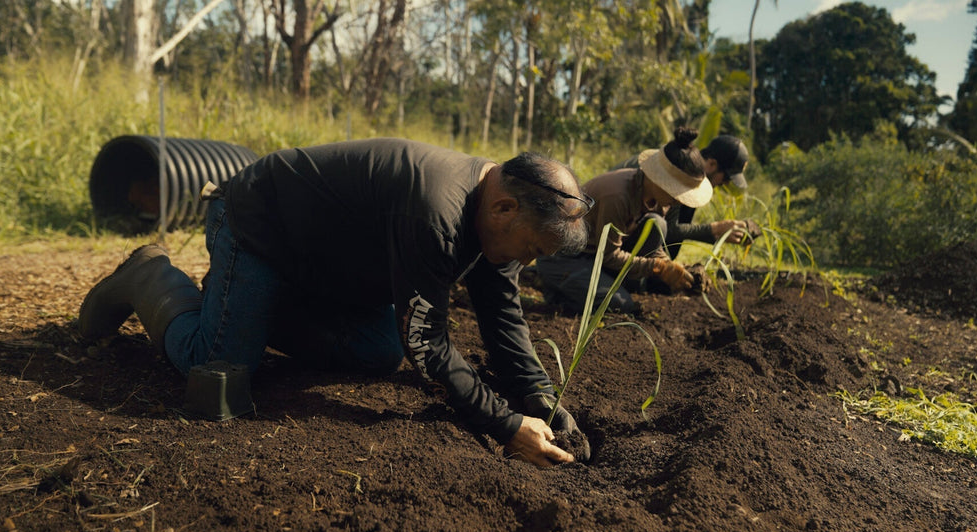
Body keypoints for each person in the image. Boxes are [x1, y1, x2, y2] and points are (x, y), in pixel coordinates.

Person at [78, 138, 593, 467]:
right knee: (215, 368)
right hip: (258, 227)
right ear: (504, 207)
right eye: (530, 249)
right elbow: (429, 345)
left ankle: (243, 307)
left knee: (378, 350)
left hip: (318, 265)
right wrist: (505, 426)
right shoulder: (436, 213)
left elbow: (501, 311)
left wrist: (538, 397)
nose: (524, 263)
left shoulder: (497, 209)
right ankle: (151, 276)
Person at [534, 128, 712, 314]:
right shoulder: (618, 196)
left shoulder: (660, 199)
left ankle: (603, 284)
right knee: (619, 305)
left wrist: (667, 264)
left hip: (597, 257)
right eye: (677, 192)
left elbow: (646, 248)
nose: (679, 200)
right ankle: (556, 290)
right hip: (566, 258)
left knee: (657, 224)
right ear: (660, 181)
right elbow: (609, 255)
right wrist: (658, 267)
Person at [613, 130, 757, 259]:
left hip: (624, 232)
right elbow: (669, 229)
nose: (725, 184)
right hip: (611, 234)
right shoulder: (681, 172)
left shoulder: (694, 177)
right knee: (657, 224)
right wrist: (716, 229)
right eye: (726, 177)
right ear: (712, 164)